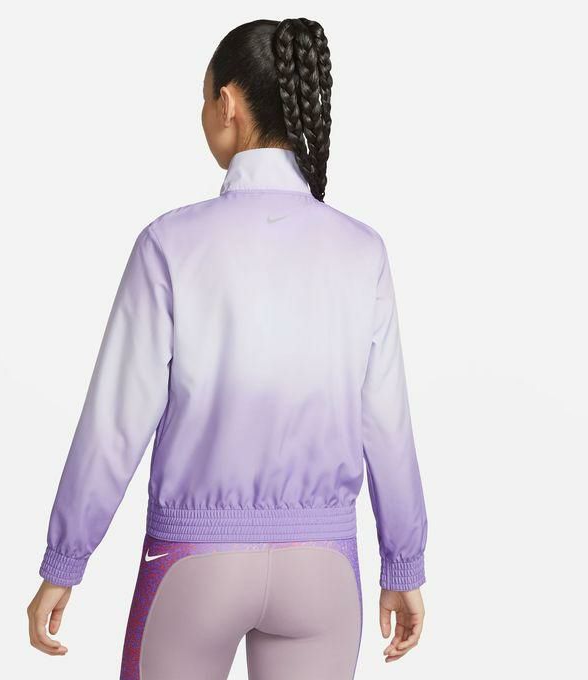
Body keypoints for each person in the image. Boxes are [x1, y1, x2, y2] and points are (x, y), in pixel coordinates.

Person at [27, 17, 428, 680]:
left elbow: (115, 422)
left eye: (203, 98)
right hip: (323, 570)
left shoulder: (169, 244)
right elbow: (387, 424)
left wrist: (65, 560)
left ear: (228, 103)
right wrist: (403, 564)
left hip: (193, 564)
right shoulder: (363, 251)